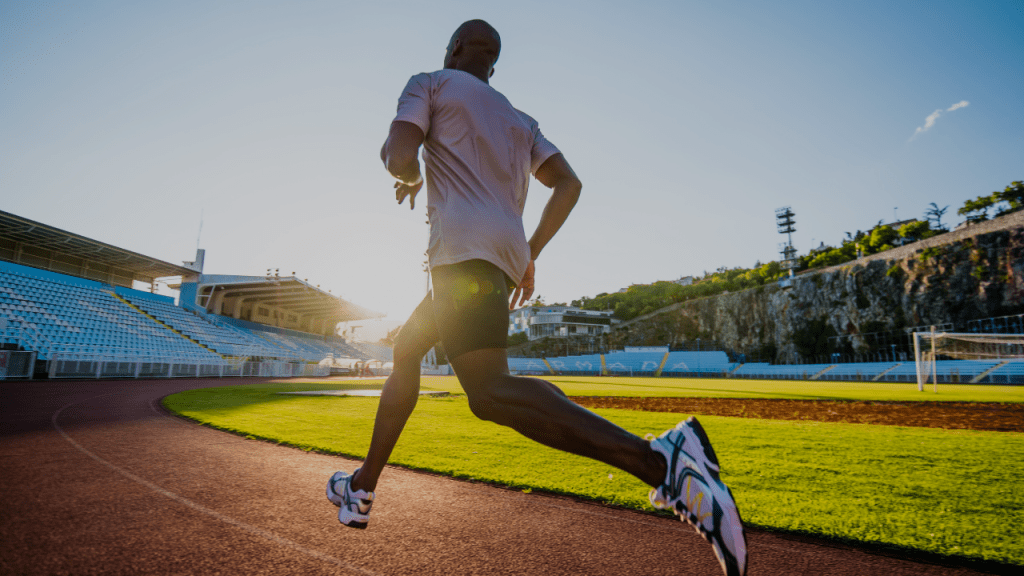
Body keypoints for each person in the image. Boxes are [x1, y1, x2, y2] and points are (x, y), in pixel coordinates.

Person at [326, 20, 747, 576]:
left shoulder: (428, 83)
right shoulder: (522, 122)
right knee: (407, 352)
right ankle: (361, 488)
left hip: (461, 253)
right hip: (497, 258)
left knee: (489, 393)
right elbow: (569, 184)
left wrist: (405, 173)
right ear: (493, 63)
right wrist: (530, 252)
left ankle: (663, 461)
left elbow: (399, 153)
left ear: (453, 50)